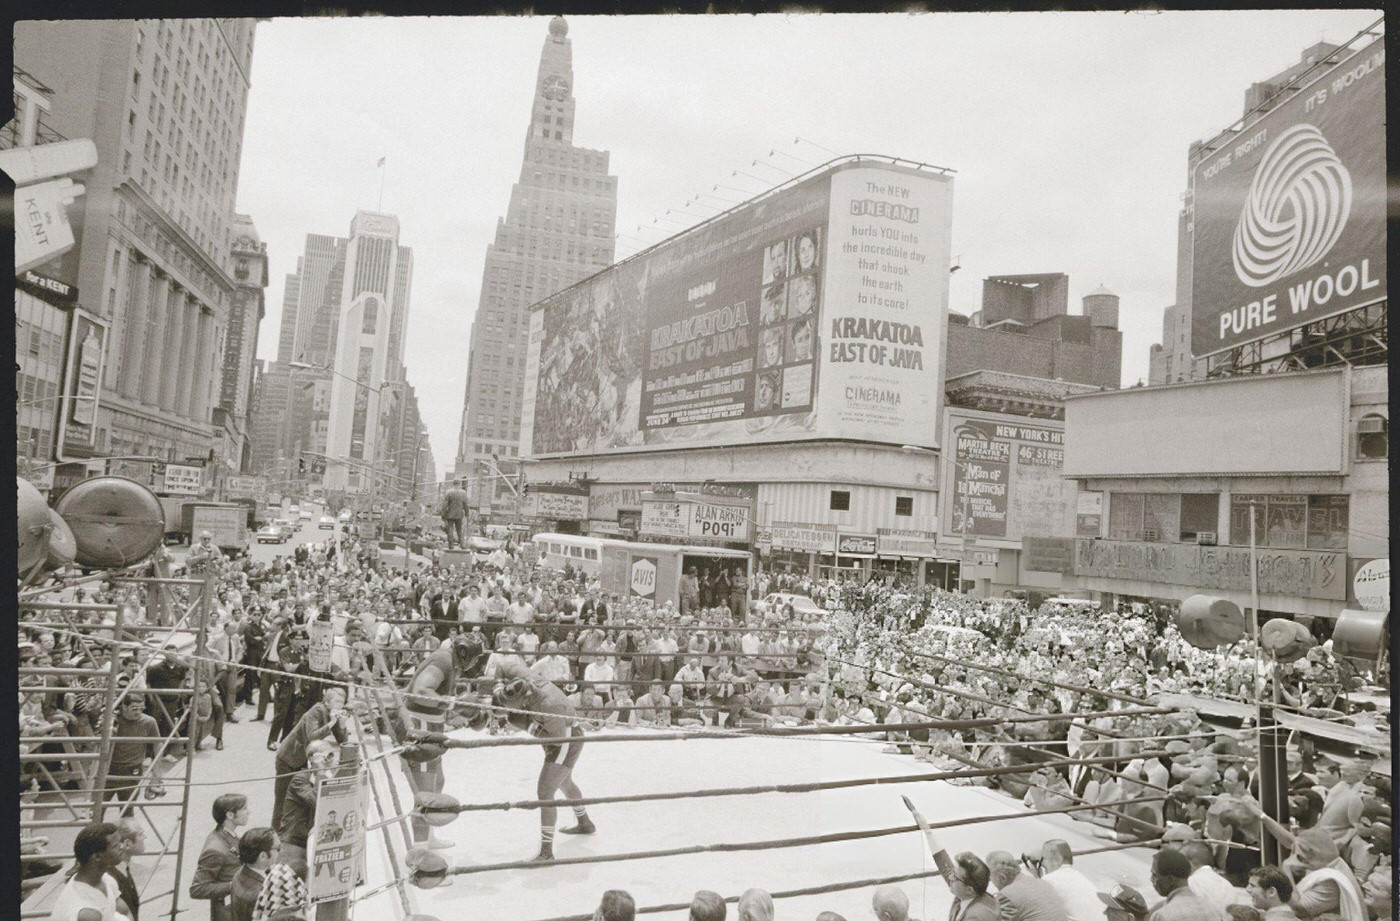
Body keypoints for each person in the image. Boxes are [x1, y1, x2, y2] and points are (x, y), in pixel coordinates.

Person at [494, 658, 594, 861]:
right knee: (564, 782)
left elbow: (556, 740)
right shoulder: (523, 676)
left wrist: (526, 725)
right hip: (557, 733)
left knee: (546, 791)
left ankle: (546, 853)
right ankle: (585, 823)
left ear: (524, 701)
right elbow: (502, 664)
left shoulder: (549, 705)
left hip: (564, 738)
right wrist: (498, 687)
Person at [399, 633, 487, 849]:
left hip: (431, 726)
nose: (476, 663)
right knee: (425, 795)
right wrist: (454, 704)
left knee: (437, 782)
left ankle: (428, 838)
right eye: (476, 658)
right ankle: (420, 853)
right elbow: (420, 691)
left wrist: (462, 711)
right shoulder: (443, 660)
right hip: (420, 728)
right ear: (466, 652)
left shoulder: (450, 662)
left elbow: (438, 700)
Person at [271, 686, 349, 833]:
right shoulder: (317, 711)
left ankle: (290, 831)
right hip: (289, 757)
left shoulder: (332, 714)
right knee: (281, 800)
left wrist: (342, 725)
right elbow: (312, 736)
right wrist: (331, 723)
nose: (340, 705)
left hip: (303, 759)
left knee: (298, 800)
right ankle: (274, 831)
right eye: (337, 701)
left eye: (342, 702)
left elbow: (342, 741)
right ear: (328, 701)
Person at [906, 800, 998, 921]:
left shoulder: (976, 917)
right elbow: (945, 865)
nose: (949, 877)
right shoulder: (971, 893)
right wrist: (927, 831)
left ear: (969, 890)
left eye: (954, 877)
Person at [277, 741, 338, 876]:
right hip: (294, 843)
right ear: (312, 759)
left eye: (331, 754)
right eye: (326, 755)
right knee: (289, 882)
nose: (330, 759)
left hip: (312, 841)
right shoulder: (299, 779)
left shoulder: (329, 777)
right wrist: (320, 770)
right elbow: (319, 801)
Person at [190, 793, 249, 921]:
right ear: (230, 815)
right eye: (244, 809)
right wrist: (236, 885)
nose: (248, 812)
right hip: (228, 913)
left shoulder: (227, 835)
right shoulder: (216, 848)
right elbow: (197, 889)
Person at [49, 822, 124, 921]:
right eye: (115, 846)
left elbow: (125, 911)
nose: (122, 847)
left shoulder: (107, 880)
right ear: (97, 857)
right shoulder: (86, 912)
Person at [105, 694, 160, 817]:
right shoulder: (112, 720)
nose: (138, 712)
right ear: (124, 707)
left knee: (127, 812)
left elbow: (158, 746)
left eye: (142, 708)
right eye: (134, 709)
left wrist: (155, 777)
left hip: (132, 772)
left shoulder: (149, 722)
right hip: (109, 770)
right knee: (97, 811)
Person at [986, 850, 1068, 920]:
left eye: (990, 878)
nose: (991, 882)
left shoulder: (1008, 895)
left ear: (1002, 878)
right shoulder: (1041, 883)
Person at [1038, 839, 1104, 921]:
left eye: (1043, 859)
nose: (1042, 864)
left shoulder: (1049, 879)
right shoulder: (1080, 878)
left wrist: (1036, 876)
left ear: (1057, 860)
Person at [1146, 847, 1215, 921]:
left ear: (1170, 879)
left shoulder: (1163, 915)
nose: (1151, 879)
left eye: (1155, 875)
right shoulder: (1211, 909)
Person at [230, 828, 279, 921]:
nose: (281, 851)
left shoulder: (243, 870)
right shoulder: (260, 895)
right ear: (263, 856)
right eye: (278, 848)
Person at [107, 821, 144, 921]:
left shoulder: (124, 869)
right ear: (127, 844)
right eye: (140, 834)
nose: (145, 837)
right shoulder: (111, 878)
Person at [438, 481, 471, 550]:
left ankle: (451, 545)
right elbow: (466, 504)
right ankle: (462, 544)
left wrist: (443, 514)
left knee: (450, 529)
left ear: (453, 484)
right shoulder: (463, 493)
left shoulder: (449, 492)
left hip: (450, 514)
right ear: (459, 484)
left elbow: (445, 505)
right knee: (459, 530)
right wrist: (467, 513)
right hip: (459, 515)